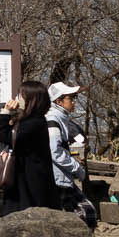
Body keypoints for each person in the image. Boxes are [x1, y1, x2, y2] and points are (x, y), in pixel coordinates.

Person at [0, 81, 63, 214]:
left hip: (29, 186)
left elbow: (2, 136)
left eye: (20, 95)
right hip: (28, 182)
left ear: (31, 99)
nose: (16, 99)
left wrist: (5, 113)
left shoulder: (34, 123)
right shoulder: (32, 120)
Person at [47, 82, 94, 224]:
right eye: (70, 98)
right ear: (58, 101)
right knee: (86, 214)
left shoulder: (59, 118)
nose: (74, 102)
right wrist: (76, 168)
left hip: (61, 177)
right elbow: (54, 150)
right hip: (58, 179)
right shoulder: (53, 120)